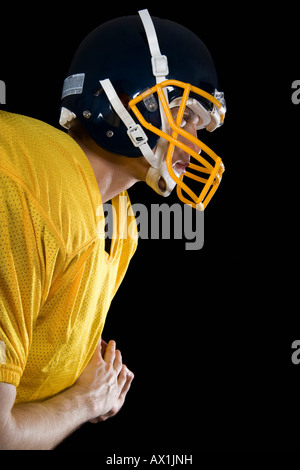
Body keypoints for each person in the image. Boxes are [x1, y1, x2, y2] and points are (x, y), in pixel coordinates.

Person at [0, 9, 226, 449]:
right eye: (184, 115)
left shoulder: (119, 220)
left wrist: (88, 367)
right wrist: (85, 401)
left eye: (200, 125)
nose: (195, 143)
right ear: (121, 98)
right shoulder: (26, 183)